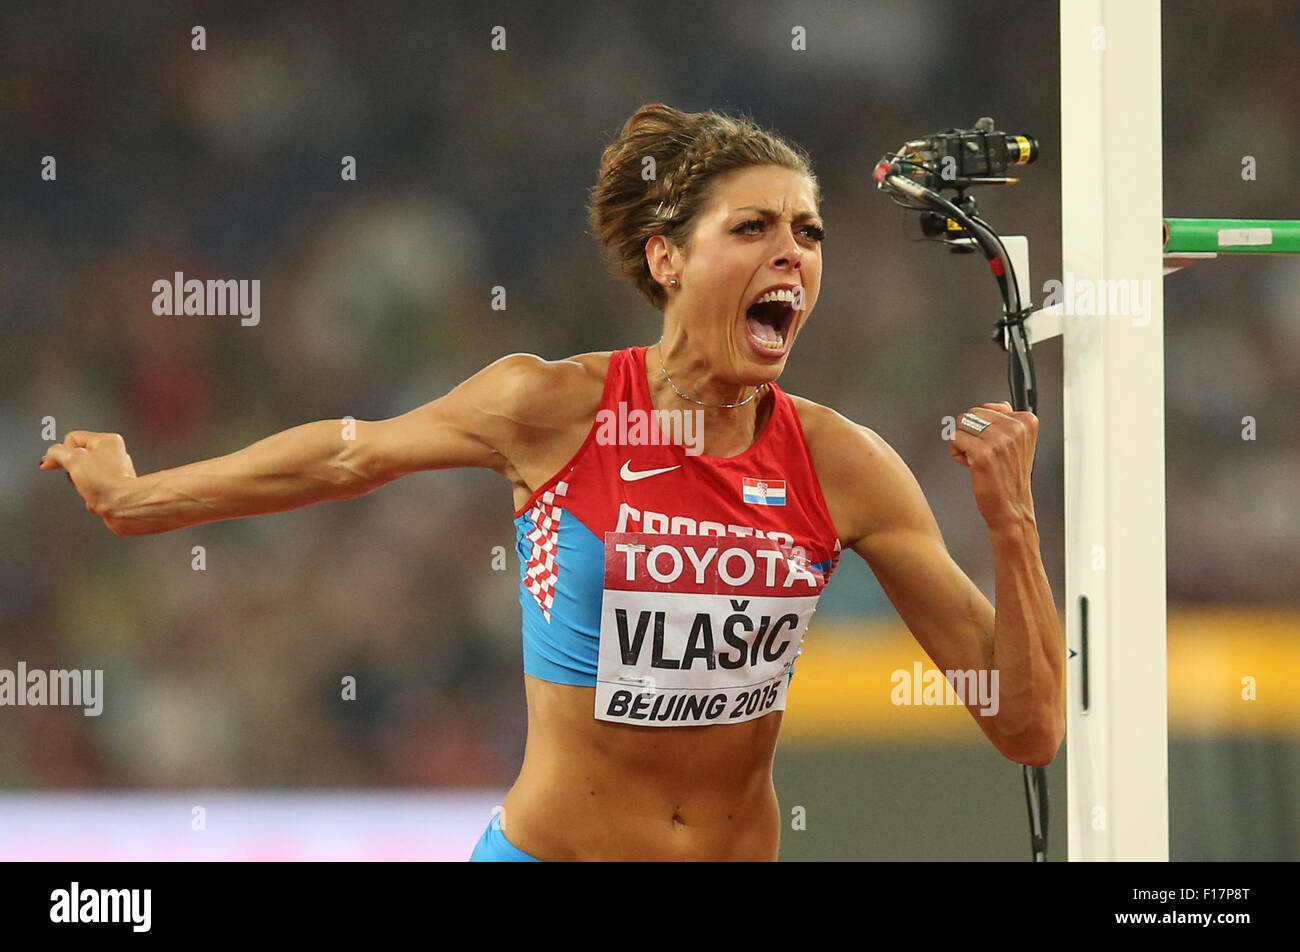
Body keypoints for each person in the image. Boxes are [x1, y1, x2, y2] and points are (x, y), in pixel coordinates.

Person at [41, 103, 1065, 862]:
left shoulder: (844, 464)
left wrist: (1009, 520)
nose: (790, 254)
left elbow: (1026, 727)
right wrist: (144, 497)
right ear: (666, 257)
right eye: (751, 228)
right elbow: (350, 451)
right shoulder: (554, 406)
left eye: (808, 232)